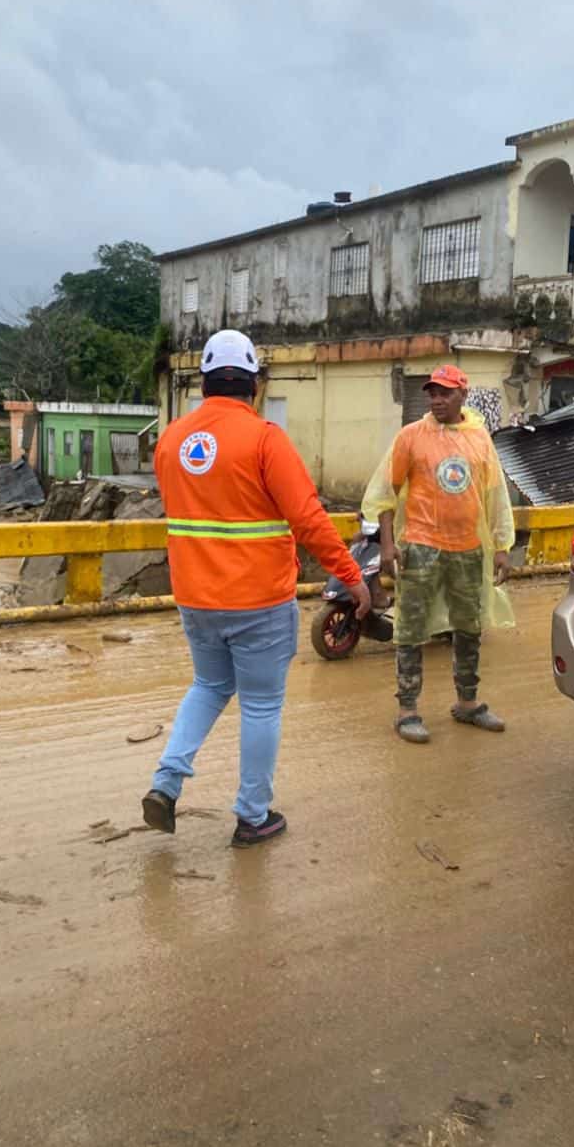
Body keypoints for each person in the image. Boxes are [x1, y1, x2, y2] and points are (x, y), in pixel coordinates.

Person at [142, 329, 371, 847]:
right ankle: (252, 815)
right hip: (258, 602)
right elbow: (309, 521)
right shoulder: (265, 439)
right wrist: (353, 578)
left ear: (203, 383)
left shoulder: (172, 440)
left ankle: (166, 781)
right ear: (255, 385)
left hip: (196, 599)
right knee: (262, 706)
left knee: (208, 686)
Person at [363, 364, 515, 743]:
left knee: (469, 626)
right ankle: (407, 710)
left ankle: (468, 703)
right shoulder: (412, 436)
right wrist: (386, 543)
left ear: (463, 394)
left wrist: (501, 546)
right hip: (420, 546)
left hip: (467, 549)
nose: (436, 399)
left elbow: (495, 495)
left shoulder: (480, 439)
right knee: (410, 629)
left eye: (445, 392)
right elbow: (385, 491)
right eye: (432, 392)